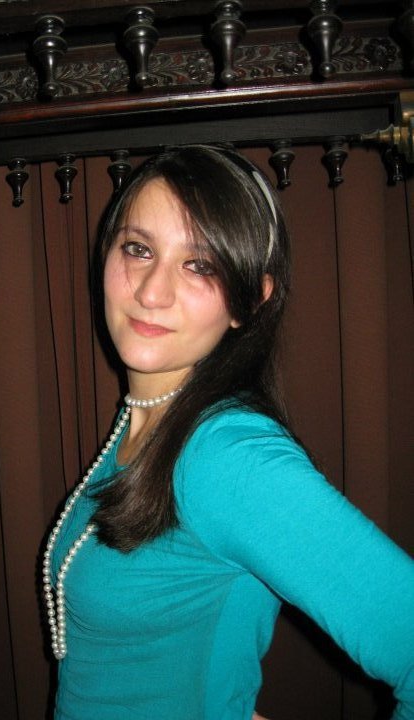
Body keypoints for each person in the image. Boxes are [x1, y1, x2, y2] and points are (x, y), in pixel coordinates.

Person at [43, 145, 414, 720]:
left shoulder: (227, 456)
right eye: (139, 249)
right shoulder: (147, 418)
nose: (151, 291)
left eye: (200, 265)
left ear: (250, 302)